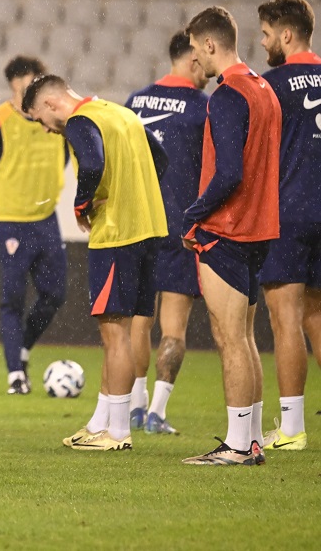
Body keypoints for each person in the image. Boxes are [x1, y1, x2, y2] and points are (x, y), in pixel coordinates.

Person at [22, 75, 168, 452]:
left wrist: (81, 203)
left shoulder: (79, 121)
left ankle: (118, 432)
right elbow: (161, 159)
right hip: (150, 230)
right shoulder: (120, 113)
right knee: (121, 331)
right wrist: (135, 191)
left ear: (52, 104)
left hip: (118, 235)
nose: (45, 128)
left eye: (39, 118)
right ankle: (100, 421)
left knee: (113, 333)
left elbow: (92, 163)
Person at [181, 6, 281, 466]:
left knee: (230, 338)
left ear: (209, 44)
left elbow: (228, 175)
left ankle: (238, 446)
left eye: (194, 51)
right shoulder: (265, 90)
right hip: (260, 231)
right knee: (247, 337)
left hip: (228, 230)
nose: (193, 63)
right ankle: (252, 439)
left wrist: (194, 216)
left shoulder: (225, 96)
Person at [124, 32, 209, 434]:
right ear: (193, 58)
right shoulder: (202, 108)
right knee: (174, 327)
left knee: (138, 321)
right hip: (181, 228)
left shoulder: (135, 102)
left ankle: (135, 406)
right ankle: (157, 412)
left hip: (138, 226)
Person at [0, 55, 67, 395]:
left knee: (56, 294)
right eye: (28, 82)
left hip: (47, 220)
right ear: (14, 84)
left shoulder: (57, 120)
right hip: (12, 223)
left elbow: (68, 158)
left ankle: (23, 349)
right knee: (12, 299)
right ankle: (14, 373)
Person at [256, 0, 321, 451]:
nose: (262, 43)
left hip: (290, 212)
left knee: (287, 320)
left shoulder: (272, 84)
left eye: (264, 34)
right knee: (319, 316)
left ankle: (293, 428)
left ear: (285, 34)